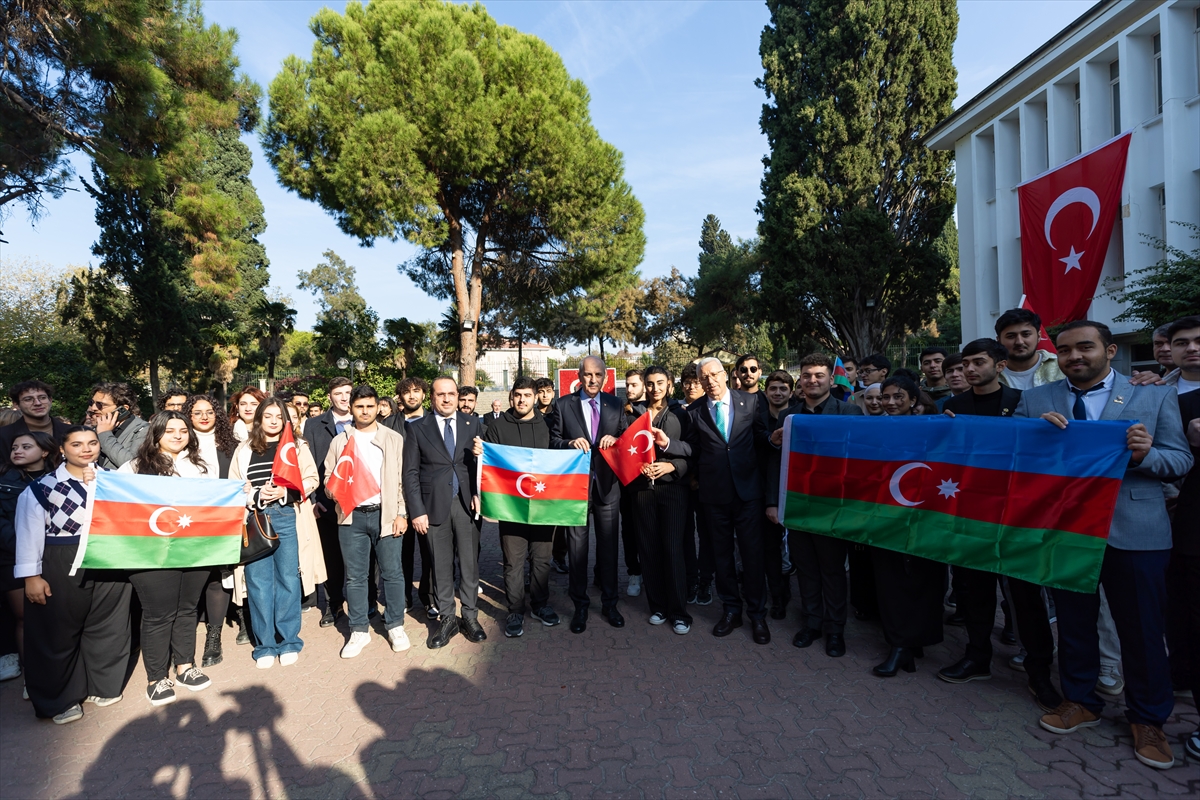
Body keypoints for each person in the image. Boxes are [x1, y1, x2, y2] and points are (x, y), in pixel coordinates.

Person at [1017, 320, 1191, 770]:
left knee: (1142, 629)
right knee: (1074, 622)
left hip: (1135, 530)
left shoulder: (1152, 395)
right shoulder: (1036, 401)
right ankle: (1080, 700)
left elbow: (1179, 460)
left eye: (1086, 347)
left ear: (1110, 350)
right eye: (1067, 350)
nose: (1076, 356)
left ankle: (1148, 718)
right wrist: (1033, 438)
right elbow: (1014, 462)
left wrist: (1144, 455)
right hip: (1065, 530)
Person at [936, 339, 1062, 711]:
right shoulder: (952, 408)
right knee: (974, 592)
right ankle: (977, 658)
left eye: (979, 362)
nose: (970, 370)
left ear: (1000, 365)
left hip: (1016, 517)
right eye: (966, 364)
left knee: (1025, 596)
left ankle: (1039, 670)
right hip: (969, 515)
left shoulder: (1025, 404)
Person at [15, 427, 132, 723]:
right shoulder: (43, 487)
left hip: (109, 558)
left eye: (93, 443)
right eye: (77, 444)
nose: (86, 449)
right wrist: (31, 577)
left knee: (108, 625)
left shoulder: (115, 481)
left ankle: (102, 686)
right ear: (62, 449)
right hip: (61, 559)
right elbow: (28, 533)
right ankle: (60, 700)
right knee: (56, 632)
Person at [653, 357, 771, 644]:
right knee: (722, 557)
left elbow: (760, 438)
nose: (710, 381)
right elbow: (693, 447)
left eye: (714, 374)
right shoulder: (693, 411)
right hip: (714, 495)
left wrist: (773, 440)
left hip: (747, 494)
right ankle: (732, 610)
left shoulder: (752, 402)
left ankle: (757, 615)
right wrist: (668, 444)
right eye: (704, 377)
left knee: (752, 556)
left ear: (726, 374)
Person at [118, 412, 216, 705]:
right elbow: (116, 505)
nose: (177, 435)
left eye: (183, 430)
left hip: (194, 549)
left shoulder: (201, 466)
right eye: (169, 430)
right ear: (156, 434)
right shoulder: (134, 468)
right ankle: (157, 678)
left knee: (187, 609)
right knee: (159, 614)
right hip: (151, 554)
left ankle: (185, 666)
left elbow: (214, 503)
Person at [768, 355, 863, 657]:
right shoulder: (791, 416)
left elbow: (861, 462)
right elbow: (777, 464)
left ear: (831, 380)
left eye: (819, 375)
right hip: (798, 506)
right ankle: (812, 623)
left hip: (833, 508)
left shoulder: (849, 412)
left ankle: (835, 630)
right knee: (806, 569)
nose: (812, 380)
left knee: (832, 571)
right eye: (807, 375)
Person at [231, 398, 324, 669]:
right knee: (258, 582)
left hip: (286, 516)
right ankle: (265, 645)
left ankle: (289, 641)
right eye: (267, 416)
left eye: (278, 416)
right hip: (255, 518)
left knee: (288, 579)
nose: (273, 421)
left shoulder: (296, 446)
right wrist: (255, 495)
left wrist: (285, 492)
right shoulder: (244, 449)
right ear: (259, 419)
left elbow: (311, 479)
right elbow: (235, 485)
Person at [327, 386, 411, 658]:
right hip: (351, 517)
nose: (365, 411)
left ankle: (395, 624)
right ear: (351, 408)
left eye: (370, 406)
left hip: (385, 515)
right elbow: (330, 479)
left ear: (378, 407)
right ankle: (359, 630)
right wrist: (336, 492)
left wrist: (401, 513)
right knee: (356, 576)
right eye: (359, 406)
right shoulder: (340, 441)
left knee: (392, 573)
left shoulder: (393, 438)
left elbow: (400, 479)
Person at [869, 375, 945, 677]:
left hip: (928, 515)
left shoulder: (937, 427)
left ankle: (917, 639)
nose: (889, 403)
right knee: (890, 579)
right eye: (885, 396)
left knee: (927, 577)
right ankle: (898, 644)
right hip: (886, 517)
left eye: (898, 396)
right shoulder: (873, 428)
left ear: (913, 400)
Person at [402, 378, 484, 649]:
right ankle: (447, 618)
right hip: (432, 506)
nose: (447, 399)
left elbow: (479, 465)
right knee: (440, 566)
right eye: (441, 394)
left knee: (470, 564)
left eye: (451, 394)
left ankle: (470, 616)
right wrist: (416, 511)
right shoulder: (416, 428)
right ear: (432, 398)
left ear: (458, 395)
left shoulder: (472, 423)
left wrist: (478, 491)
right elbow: (410, 473)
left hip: (466, 504)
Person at [478, 377, 562, 638]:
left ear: (536, 398)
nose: (522, 400)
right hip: (511, 506)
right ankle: (515, 610)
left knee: (541, 560)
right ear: (511, 397)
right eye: (518, 395)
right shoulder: (496, 426)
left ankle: (540, 605)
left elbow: (560, 454)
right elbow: (486, 461)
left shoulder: (548, 425)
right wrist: (478, 451)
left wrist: (574, 445)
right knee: (513, 562)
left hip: (543, 506)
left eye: (527, 395)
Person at [550, 356, 628, 634]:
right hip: (575, 490)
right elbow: (552, 440)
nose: (592, 380)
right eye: (587, 375)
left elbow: (627, 440)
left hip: (607, 488)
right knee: (577, 551)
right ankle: (580, 606)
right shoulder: (562, 405)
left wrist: (617, 441)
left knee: (608, 550)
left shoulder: (616, 404)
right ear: (579, 377)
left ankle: (610, 604)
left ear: (605, 378)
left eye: (597, 375)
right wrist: (569, 442)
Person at [630, 366, 693, 634]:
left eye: (660, 383)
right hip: (642, 490)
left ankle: (679, 613)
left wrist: (672, 467)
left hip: (673, 490)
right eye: (650, 383)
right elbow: (626, 449)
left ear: (669, 385)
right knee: (648, 548)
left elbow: (693, 450)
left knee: (672, 549)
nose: (655, 388)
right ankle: (657, 606)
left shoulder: (682, 414)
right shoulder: (633, 414)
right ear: (644, 386)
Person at [184, 394, 245, 665]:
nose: (204, 416)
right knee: (197, 577)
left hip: (225, 520)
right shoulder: (179, 443)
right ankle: (199, 636)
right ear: (189, 416)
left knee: (221, 577)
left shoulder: (232, 445)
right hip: (189, 522)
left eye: (209, 411)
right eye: (197, 413)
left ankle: (217, 636)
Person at [0, 432, 58, 687]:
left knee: (54, 616)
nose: (18, 451)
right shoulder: (3, 480)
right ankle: (33, 678)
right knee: (25, 616)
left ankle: (59, 671)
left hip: (54, 557)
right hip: (11, 557)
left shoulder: (60, 479)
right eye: (14, 448)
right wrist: (25, 544)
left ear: (45, 451)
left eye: (26, 446)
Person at [304, 378, 357, 628]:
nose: (345, 397)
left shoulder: (365, 421)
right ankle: (334, 604)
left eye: (348, 392)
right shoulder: (314, 425)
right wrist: (313, 501)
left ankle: (364, 603)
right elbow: (308, 464)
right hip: (326, 503)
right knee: (331, 558)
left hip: (360, 502)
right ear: (329, 397)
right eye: (339, 393)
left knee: (360, 557)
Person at [1169, 385, 1200, 762]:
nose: (1192, 348)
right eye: (1183, 342)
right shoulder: (1176, 402)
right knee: (1186, 618)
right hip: (1189, 531)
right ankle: (1180, 676)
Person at [760, 369, 798, 621]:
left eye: (783, 389)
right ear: (766, 392)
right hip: (764, 493)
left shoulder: (799, 417)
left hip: (796, 493)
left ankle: (794, 594)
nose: (777, 392)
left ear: (791, 392)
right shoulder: (757, 419)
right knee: (770, 550)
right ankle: (778, 598)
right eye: (773, 388)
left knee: (795, 551)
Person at [678, 361, 713, 605]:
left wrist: (698, 477)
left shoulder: (710, 409)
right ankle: (690, 579)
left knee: (707, 534)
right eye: (686, 382)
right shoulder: (676, 411)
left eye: (695, 382)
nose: (691, 386)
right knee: (685, 535)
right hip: (681, 483)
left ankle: (705, 581)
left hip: (706, 483)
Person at [0, 381, 72, 468]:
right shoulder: (4, 435)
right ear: (16, 404)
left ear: (50, 400)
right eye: (28, 399)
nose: (37, 403)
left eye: (42, 397)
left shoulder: (72, 432)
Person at [620, 369, 645, 599]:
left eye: (634, 385)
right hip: (626, 484)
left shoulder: (652, 412)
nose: (630, 389)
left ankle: (651, 570)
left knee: (649, 530)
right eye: (628, 385)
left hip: (651, 484)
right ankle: (634, 572)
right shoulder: (621, 412)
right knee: (628, 530)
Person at [84, 382, 148, 469]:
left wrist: (105, 434)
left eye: (100, 404)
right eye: (92, 402)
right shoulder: (96, 428)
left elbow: (133, 466)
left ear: (123, 409)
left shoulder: (143, 430)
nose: (93, 408)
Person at [995, 308, 1062, 390]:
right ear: (999, 340)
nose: (1019, 342)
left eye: (1026, 334)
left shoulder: (1061, 367)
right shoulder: (990, 373)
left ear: (1039, 336)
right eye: (1011, 336)